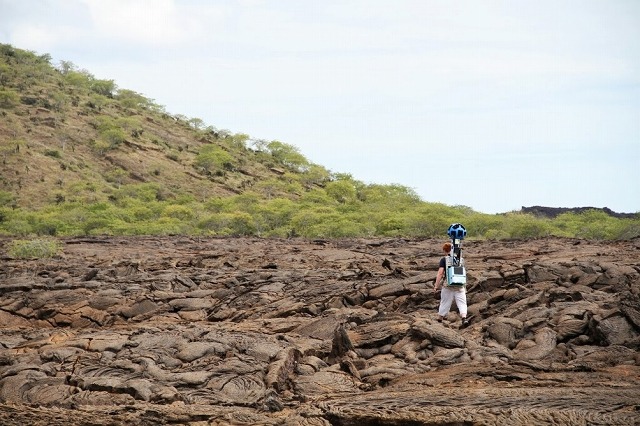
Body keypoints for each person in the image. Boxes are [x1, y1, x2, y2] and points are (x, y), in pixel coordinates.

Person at [433, 242, 471, 326]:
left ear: (445, 250)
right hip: (460, 284)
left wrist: (436, 285)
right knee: (462, 303)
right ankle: (464, 318)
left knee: (445, 302)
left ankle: (440, 318)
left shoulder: (444, 259)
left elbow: (440, 273)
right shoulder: (460, 259)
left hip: (448, 285)